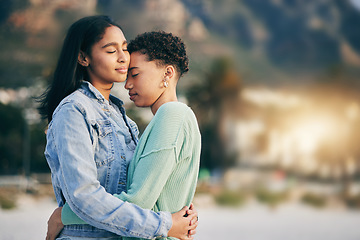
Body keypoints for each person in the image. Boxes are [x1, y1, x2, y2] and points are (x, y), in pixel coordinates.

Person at [38, 15, 197, 240]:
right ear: (83, 57)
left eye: (124, 48)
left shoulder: (125, 120)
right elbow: (84, 196)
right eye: (111, 51)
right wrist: (165, 223)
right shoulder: (74, 110)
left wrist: (180, 214)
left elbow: (142, 194)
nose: (123, 58)